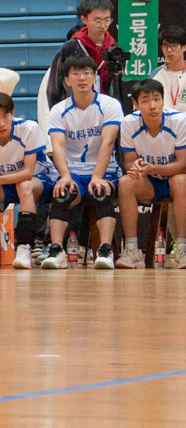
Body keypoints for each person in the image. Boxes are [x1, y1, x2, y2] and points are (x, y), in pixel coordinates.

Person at [42, 54, 124, 269]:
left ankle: (105, 251)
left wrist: (97, 176)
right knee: (62, 193)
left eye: (87, 73)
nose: (82, 78)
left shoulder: (110, 105)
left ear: (94, 78)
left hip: (105, 170)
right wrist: (66, 176)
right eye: (76, 73)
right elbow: (57, 146)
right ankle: (56, 250)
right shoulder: (59, 110)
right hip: (74, 172)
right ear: (67, 80)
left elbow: (108, 142)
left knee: (100, 191)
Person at [0, 93, 52, 270]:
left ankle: (24, 249)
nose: (1, 123)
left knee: (24, 186)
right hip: (5, 182)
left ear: (13, 113)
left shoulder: (29, 128)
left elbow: (28, 173)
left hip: (41, 180)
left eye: (5, 116)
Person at [115, 79, 186, 268]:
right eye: (145, 100)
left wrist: (153, 168)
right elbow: (129, 161)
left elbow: (182, 164)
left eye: (157, 99)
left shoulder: (179, 121)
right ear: (136, 104)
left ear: (163, 101)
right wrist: (136, 168)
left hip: (173, 178)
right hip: (149, 182)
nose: (152, 105)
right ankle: (131, 249)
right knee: (125, 182)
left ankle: (182, 247)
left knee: (181, 181)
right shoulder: (129, 123)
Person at [149, 24, 186, 108]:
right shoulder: (155, 75)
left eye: (173, 46)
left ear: (184, 47)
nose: (169, 50)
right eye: (165, 46)